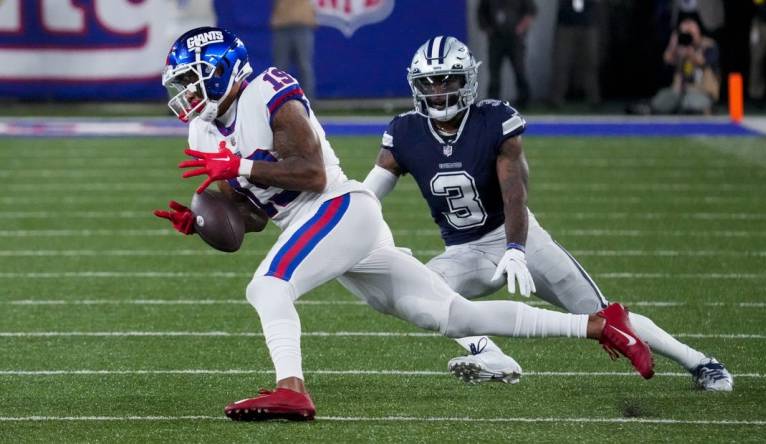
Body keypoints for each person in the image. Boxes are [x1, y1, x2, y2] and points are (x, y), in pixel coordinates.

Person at [154, 27, 655, 422]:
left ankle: (291, 391)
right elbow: (257, 217)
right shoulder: (202, 131)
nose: (185, 94)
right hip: (315, 225)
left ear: (221, 72)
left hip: (341, 208)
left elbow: (310, 172)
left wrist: (236, 167)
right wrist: (203, 220)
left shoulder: (267, 91)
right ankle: (597, 325)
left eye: (191, 80)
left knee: (267, 288)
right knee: (453, 317)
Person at [363, 35, 733, 391]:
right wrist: (365, 236)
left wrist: (515, 248)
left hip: (516, 235)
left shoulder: (494, 121)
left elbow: (514, 195)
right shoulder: (405, 132)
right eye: (429, 84)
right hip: (462, 252)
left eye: (448, 81)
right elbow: (367, 198)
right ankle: (490, 355)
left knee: (602, 315)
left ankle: (700, 361)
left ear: (468, 80)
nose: (439, 92)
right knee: (420, 297)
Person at [649, 17, 720, 114]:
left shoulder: (709, 45)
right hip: (679, 91)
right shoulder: (679, 47)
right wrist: (673, 44)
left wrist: (691, 54)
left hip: (702, 91)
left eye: (691, 30)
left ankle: (706, 108)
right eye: (685, 32)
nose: (688, 34)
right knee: (659, 102)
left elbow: (706, 62)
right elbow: (667, 62)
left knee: (689, 103)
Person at [477, 0, 536, 107]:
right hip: (496, 38)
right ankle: (493, 102)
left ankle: (524, 101)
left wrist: (521, 28)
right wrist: (488, 29)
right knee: (494, 72)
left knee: (519, 69)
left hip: (515, 39)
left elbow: (530, 11)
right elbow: (481, 13)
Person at [549, 0, 602, 108]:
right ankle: (556, 99)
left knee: (590, 62)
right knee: (561, 61)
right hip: (566, 24)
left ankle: (594, 98)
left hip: (588, 24)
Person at [270, 0, 316, 98]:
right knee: (280, 68)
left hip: (303, 25)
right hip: (282, 26)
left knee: (304, 67)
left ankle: (308, 103)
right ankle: (279, 102)